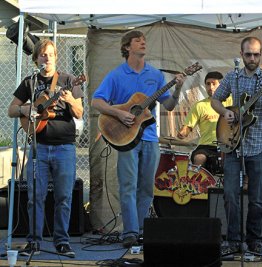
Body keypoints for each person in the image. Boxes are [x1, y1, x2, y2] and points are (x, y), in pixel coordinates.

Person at [91, 30, 186, 248]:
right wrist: (119, 113)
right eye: (137, 40)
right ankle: (130, 232)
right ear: (127, 47)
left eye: (144, 40)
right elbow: (97, 101)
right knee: (128, 185)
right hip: (126, 138)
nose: (143, 43)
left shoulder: (155, 74)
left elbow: (169, 105)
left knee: (146, 187)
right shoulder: (116, 75)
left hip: (150, 137)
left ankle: (141, 229)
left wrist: (178, 87)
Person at [8, 39, 84, 257]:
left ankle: (62, 241)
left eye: (50, 54)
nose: (47, 58)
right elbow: (11, 110)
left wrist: (70, 100)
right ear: (36, 59)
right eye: (43, 55)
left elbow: (80, 113)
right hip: (38, 147)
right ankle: (34, 242)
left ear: (56, 57)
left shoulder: (69, 80)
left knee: (64, 197)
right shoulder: (30, 82)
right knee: (35, 197)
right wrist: (27, 108)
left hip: (64, 148)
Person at [211, 36, 262, 254]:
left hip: (260, 145)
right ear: (241, 54)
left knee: (256, 198)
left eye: (256, 54)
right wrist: (225, 112)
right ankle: (233, 240)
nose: (252, 58)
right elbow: (216, 99)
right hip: (233, 143)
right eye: (248, 54)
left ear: (261, 54)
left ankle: (254, 240)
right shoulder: (233, 77)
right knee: (230, 194)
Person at [177, 71, 232, 174]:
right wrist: (183, 132)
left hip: (229, 145)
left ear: (222, 85)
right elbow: (188, 127)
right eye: (207, 84)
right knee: (199, 158)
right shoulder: (199, 106)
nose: (210, 87)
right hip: (206, 146)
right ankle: (195, 185)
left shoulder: (231, 101)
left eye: (214, 83)